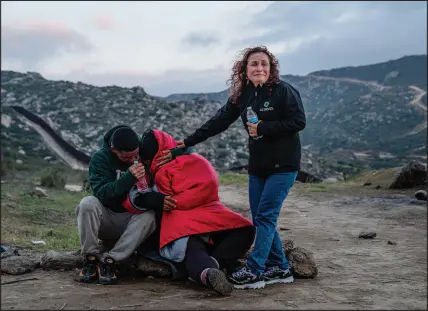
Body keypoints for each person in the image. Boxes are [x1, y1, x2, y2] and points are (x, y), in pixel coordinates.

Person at [176, 46, 306, 289]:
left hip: (284, 166)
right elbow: (220, 120)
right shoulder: (244, 94)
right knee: (260, 218)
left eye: (264, 64)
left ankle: (255, 270)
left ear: (271, 68)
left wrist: (264, 128)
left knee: (266, 216)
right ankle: (279, 267)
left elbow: (298, 121)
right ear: (245, 70)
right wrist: (187, 142)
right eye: (254, 64)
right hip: (258, 168)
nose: (259, 68)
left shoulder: (283, 91)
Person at [137, 129, 256, 296]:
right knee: (244, 229)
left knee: (190, 245)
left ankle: (207, 272)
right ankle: (216, 263)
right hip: (211, 214)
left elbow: (167, 200)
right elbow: (210, 186)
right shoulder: (197, 159)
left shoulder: (160, 173)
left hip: (182, 218)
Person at [76, 125, 190, 285]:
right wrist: (127, 178)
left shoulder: (141, 149)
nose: (132, 160)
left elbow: (177, 149)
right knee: (87, 203)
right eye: (126, 158)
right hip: (107, 217)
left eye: (135, 156)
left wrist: (174, 152)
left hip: (132, 223)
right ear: (113, 150)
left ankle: (111, 261)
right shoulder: (100, 159)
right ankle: (90, 258)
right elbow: (103, 195)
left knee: (149, 216)